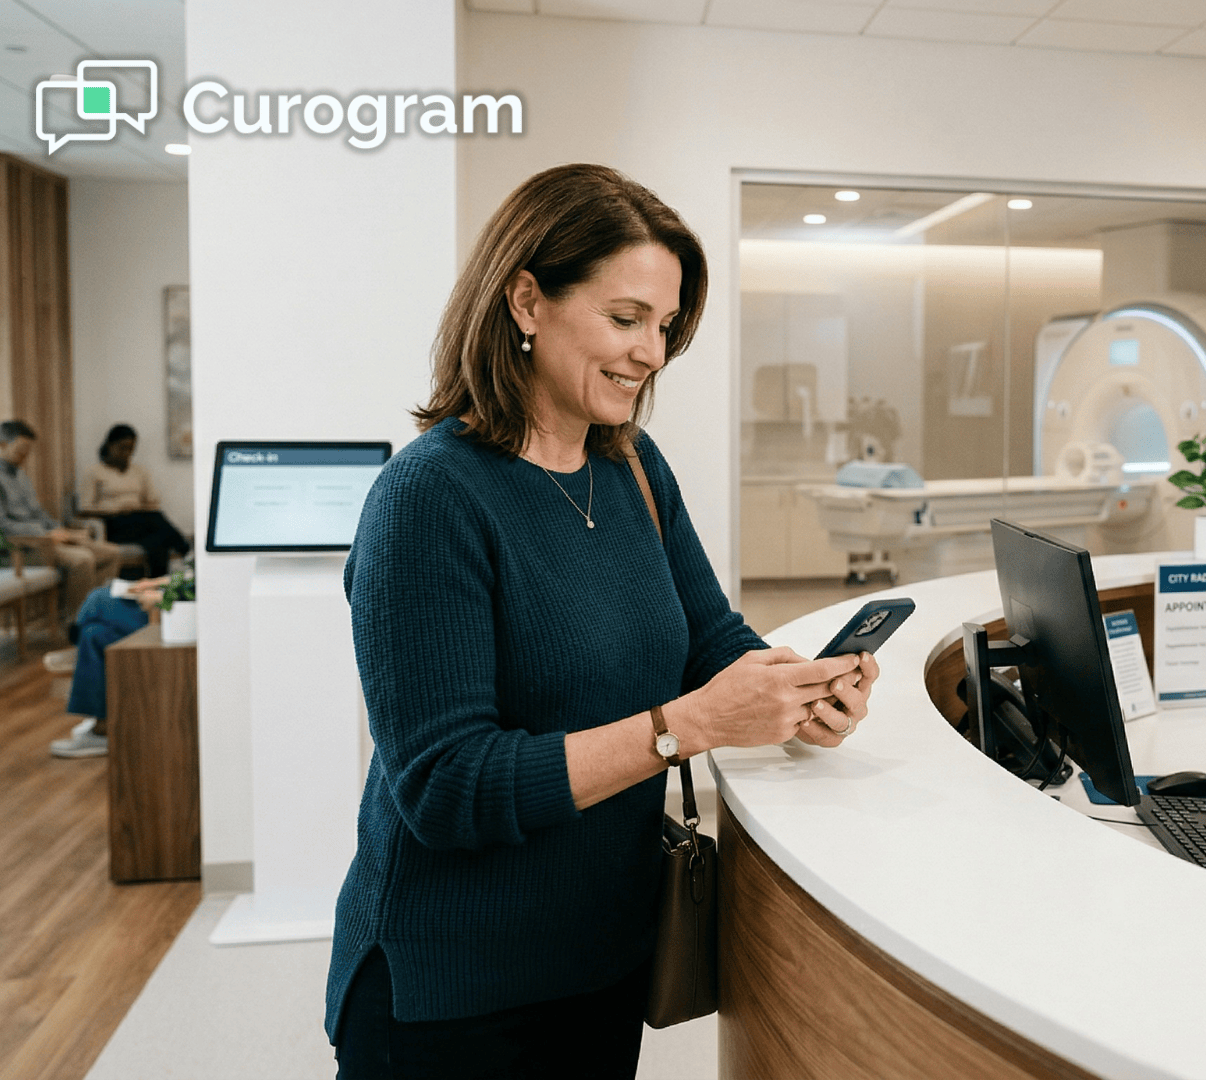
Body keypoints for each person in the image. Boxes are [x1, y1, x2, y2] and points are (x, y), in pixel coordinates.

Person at [326, 163, 882, 1080]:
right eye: (626, 320)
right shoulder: (428, 498)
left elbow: (707, 639)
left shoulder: (630, 467)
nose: (652, 354)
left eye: (665, 327)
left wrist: (794, 684)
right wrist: (687, 727)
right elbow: (446, 788)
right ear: (526, 300)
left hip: (602, 959)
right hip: (454, 992)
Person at [0, 420, 122, 616]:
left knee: (111, 552)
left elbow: (38, 513)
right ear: (2, 444)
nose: (25, 456)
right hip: (15, 550)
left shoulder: (20, 475)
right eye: (21, 450)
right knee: (82, 560)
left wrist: (63, 531)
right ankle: (78, 623)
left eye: (28, 451)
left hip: (43, 542)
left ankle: (100, 612)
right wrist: (47, 534)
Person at [46, 578, 167, 758]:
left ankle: (75, 646)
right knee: (94, 633)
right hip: (171, 595)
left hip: (171, 608)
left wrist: (160, 592)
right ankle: (101, 728)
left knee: (99, 597)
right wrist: (154, 583)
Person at [81, 423, 191, 577]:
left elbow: (152, 500)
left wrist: (143, 506)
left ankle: (156, 585)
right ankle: (186, 550)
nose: (126, 453)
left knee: (157, 540)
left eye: (131, 449)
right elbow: (84, 508)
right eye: (122, 447)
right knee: (158, 526)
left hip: (141, 519)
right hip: (114, 522)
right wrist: (116, 510)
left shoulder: (140, 471)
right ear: (110, 445)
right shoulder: (94, 472)